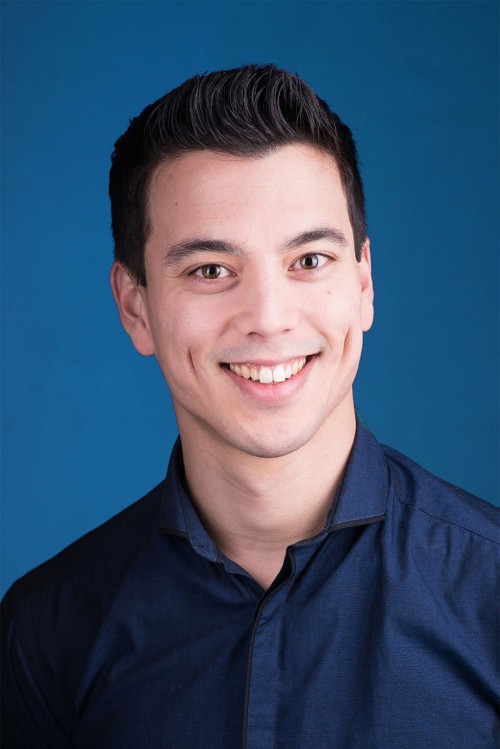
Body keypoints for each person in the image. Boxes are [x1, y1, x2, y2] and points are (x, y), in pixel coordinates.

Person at [2, 64, 498, 749]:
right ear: (135, 307)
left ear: (364, 284)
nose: (267, 317)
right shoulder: (45, 633)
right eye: (210, 270)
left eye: (310, 260)